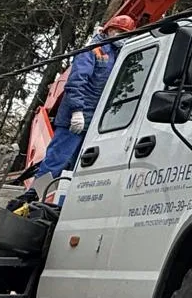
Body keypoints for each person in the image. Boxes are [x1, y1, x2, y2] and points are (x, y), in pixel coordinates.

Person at [9, 15, 132, 210]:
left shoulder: (119, 55)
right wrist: (77, 111)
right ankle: (30, 198)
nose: (121, 36)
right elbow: (76, 82)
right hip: (75, 118)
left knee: (77, 166)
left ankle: (63, 206)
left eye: (125, 34)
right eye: (118, 32)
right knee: (57, 160)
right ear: (109, 30)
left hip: (94, 121)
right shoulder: (93, 50)